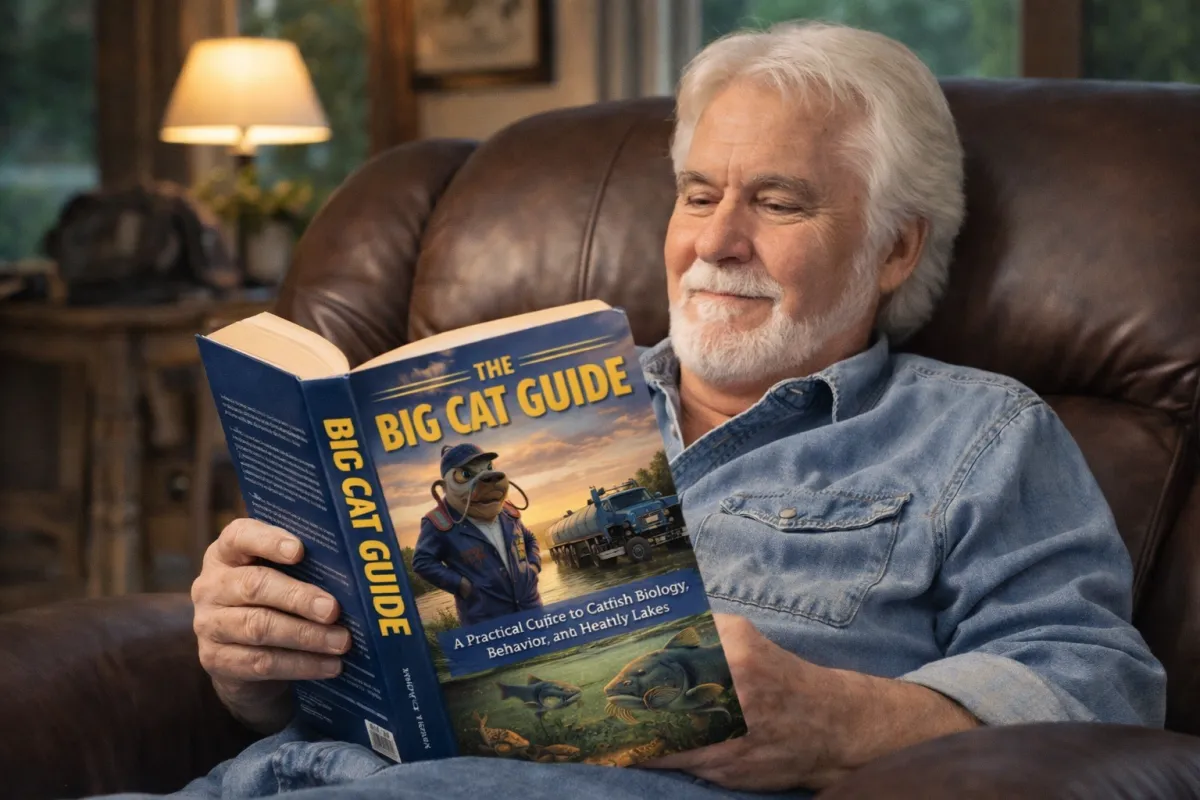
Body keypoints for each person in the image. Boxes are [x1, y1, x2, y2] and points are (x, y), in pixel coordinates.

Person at [114, 20, 1166, 800]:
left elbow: (1100, 692)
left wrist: (840, 720)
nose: (716, 241)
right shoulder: (519, 402)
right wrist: (256, 656)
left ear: (896, 246)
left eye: (778, 201)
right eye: (699, 193)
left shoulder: (974, 433)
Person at [411, 443, 543, 626]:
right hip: (485, 620)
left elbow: (529, 539)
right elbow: (422, 562)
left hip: (531, 610)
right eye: (465, 475)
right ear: (443, 487)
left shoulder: (508, 511)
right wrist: (463, 586)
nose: (487, 477)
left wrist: (533, 568)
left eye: (489, 468)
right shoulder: (438, 522)